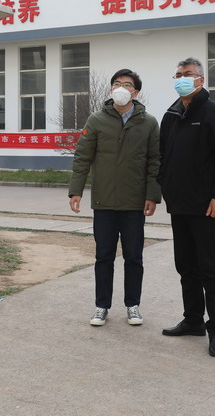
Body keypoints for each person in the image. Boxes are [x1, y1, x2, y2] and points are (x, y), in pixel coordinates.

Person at [158, 57, 215, 358]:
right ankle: (193, 320)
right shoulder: (171, 115)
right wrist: (165, 185)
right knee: (186, 266)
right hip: (179, 204)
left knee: (210, 269)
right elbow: (163, 156)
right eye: (178, 74)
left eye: (188, 74)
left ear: (200, 80)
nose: (182, 78)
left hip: (207, 207)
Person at [68, 69, 161, 327]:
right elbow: (82, 157)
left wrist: (152, 195)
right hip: (104, 201)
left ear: (136, 92)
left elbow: (155, 161)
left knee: (134, 257)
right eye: (117, 84)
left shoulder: (149, 123)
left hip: (134, 202)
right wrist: (76, 190)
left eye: (127, 85)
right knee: (104, 256)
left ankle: (133, 305)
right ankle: (101, 306)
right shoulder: (96, 120)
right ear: (111, 89)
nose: (121, 88)